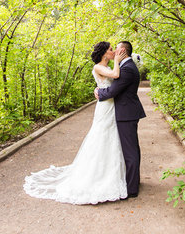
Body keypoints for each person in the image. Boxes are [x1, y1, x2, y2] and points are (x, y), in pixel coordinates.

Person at [23, 41, 128, 204]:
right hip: (104, 107)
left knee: (112, 138)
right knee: (101, 136)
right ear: (103, 53)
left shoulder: (107, 67)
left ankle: (113, 174)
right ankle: (97, 175)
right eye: (110, 50)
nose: (113, 51)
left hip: (112, 105)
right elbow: (115, 76)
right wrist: (116, 62)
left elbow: (115, 80)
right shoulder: (98, 67)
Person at [95, 41, 146, 198]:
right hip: (124, 112)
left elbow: (114, 90)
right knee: (132, 149)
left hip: (126, 114)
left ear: (122, 50)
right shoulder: (125, 66)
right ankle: (133, 182)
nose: (114, 51)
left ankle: (132, 189)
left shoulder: (127, 68)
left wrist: (99, 93)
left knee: (130, 152)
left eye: (115, 48)